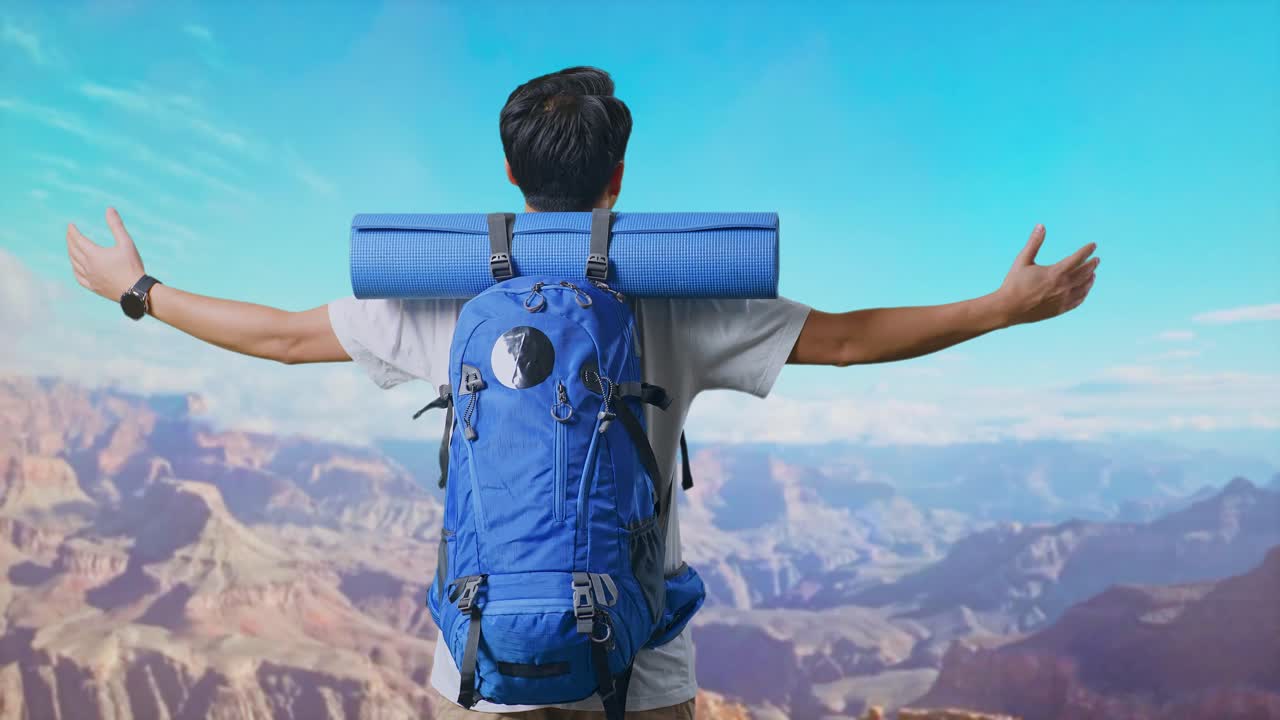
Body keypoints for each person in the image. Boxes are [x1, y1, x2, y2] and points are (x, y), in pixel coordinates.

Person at [63, 66, 1099, 719]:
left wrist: (138, 291)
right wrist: (996, 309)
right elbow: (844, 342)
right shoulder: (674, 301)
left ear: (511, 183)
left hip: (487, 656)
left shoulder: (453, 300)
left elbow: (284, 340)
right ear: (616, 185)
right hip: (638, 663)